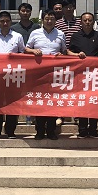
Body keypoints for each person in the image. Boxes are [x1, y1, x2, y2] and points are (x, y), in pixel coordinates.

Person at [25, 9, 67, 140]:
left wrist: (61, 55)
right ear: (42, 20)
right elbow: (26, 49)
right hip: (39, 74)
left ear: (55, 21)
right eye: (47, 19)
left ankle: (51, 131)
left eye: (52, 19)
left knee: (52, 102)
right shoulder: (35, 33)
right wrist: (33, 51)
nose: (49, 21)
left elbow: (64, 51)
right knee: (39, 102)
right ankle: (39, 131)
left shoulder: (60, 34)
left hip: (55, 74)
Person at [0, 11, 26, 138]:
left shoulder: (17, 36)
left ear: (11, 22)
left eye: (7, 21)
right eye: (2, 21)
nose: (5, 23)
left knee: (12, 104)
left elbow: (23, 53)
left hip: (13, 75)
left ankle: (10, 131)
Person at [68, 12, 98, 137]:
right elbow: (68, 52)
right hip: (80, 74)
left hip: (96, 74)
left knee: (94, 102)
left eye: (90, 20)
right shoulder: (75, 36)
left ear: (93, 22)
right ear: (81, 22)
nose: (87, 22)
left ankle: (93, 129)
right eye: (85, 20)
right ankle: (82, 129)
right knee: (82, 101)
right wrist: (77, 55)